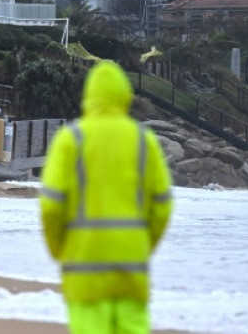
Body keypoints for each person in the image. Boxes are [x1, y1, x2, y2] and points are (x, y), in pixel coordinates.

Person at [40, 61, 174, 334]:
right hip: (130, 260)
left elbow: (51, 205)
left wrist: (59, 250)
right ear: (125, 95)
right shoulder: (143, 140)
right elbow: (162, 204)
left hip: (84, 261)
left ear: (89, 94)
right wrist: (143, 244)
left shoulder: (71, 139)